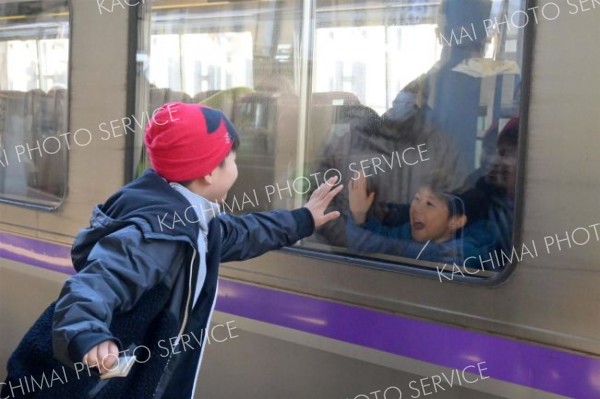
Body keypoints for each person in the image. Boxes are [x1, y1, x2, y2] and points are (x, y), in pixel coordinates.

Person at [1, 102, 343, 399]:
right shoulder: (157, 233)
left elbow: (240, 233)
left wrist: (303, 219)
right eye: (233, 159)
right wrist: (88, 334)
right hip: (103, 388)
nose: (237, 167)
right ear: (210, 172)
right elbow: (92, 286)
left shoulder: (186, 217)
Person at [347, 172, 497, 267]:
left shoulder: (466, 252)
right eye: (417, 198)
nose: (417, 208)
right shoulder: (406, 232)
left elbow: (433, 257)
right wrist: (360, 216)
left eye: (429, 204)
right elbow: (381, 237)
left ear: (455, 222)